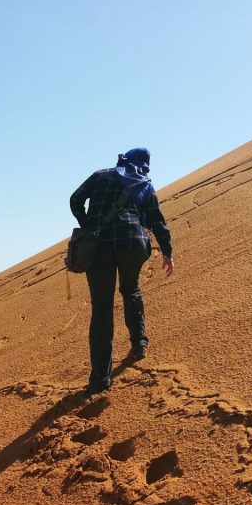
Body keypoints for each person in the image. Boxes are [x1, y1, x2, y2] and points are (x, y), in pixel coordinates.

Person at [69, 148, 174, 394]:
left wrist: (88, 226)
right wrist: (167, 252)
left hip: (99, 248)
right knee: (130, 289)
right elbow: (158, 221)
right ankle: (139, 344)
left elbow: (75, 200)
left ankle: (99, 381)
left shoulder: (100, 175)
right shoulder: (144, 184)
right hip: (133, 243)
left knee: (102, 310)